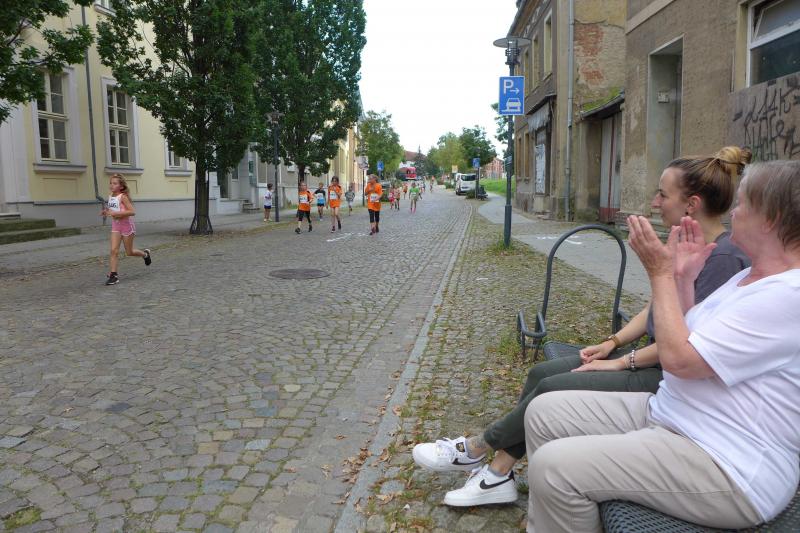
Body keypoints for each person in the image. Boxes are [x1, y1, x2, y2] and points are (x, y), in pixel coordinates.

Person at [412, 147, 752, 507]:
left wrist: (620, 362)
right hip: (647, 357)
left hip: (666, 377)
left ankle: (478, 449)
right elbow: (655, 308)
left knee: (550, 387)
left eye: (662, 194)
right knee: (541, 372)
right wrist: (612, 342)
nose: (654, 202)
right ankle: (499, 474)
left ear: (691, 204)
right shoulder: (688, 244)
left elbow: (690, 346)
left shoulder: (723, 259)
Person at [523, 160, 800, 532]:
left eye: (743, 203)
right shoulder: (750, 277)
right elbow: (688, 336)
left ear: (771, 219)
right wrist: (683, 280)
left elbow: (679, 361)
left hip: (729, 462)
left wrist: (661, 273)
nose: (732, 212)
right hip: (674, 417)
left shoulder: (789, 294)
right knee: (543, 413)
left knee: (554, 468)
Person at [101, 173, 151, 286]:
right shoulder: (111, 196)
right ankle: (114, 275)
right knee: (113, 250)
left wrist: (116, 213)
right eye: (111, 183)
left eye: (115, 183)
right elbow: (112, 210)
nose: (112, 185)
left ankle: (145, 254)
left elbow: (132, 212)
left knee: (129, 252)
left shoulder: (123, 197)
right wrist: (106, 212)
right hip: (116, 226)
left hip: (127, 226)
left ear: (121, 186)